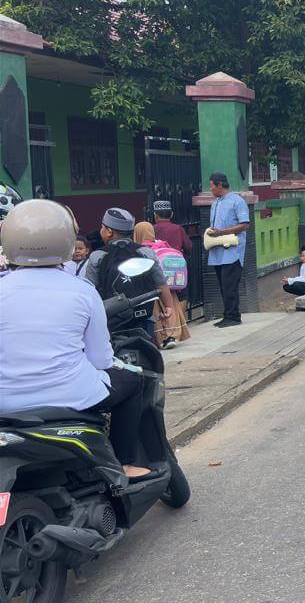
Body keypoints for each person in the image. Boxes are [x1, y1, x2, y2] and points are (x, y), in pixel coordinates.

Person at [0, 200, 151, 478]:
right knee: (134, 381)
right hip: (72, 395)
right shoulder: (82, 291)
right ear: (68, 240)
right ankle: (125, 463)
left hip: (6, 404)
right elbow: (101, 359)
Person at [84, 208, 178, 342]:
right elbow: (160, 281)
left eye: (102, 227)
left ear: (109, 232)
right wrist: (168, 306)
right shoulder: (145, 252)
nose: (101, 231)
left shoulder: (98, 256)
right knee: (147, 350)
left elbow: (89, 289)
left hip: (110, 320)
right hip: (144, 317)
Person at [133, 221, 191, 349]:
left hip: (152, 288)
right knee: (171, 309)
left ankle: (161, 338)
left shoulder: (140, 250)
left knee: (156, 311)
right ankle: (172, 335)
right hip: (169, 286)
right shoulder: (162, 244)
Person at [206, 172, 251, 327]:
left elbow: (245, 224)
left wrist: (221, 232)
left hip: (233, 252)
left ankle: (234, 316)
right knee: (223, 285)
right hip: (217, 252)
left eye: (212, 186)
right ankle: (227, 315)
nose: (210, 189)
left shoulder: (237, 201)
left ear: (219, 185)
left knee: (230, 286)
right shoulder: (215, 203)